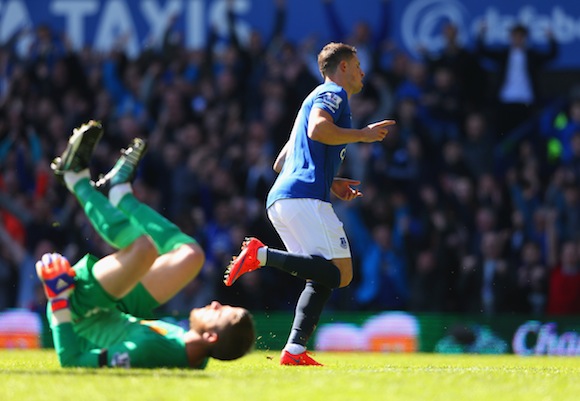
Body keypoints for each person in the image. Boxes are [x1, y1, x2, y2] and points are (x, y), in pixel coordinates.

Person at [223, 42, 395, 365]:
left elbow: (280, 163)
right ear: (342, 67)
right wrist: (362, 134)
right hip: (303, 197)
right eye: (358, 65)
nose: (362, 72)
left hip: (281, 199)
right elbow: (318, 130)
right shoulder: (333, 93)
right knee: (341, 274)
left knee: (322, 276)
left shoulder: (309, 101)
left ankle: (294, 350)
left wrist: (330, 181)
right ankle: (261, 254)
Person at [38, 120, 255, 368]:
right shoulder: (194, 356)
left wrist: (58, 299)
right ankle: (119, 194)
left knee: (144, 249)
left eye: (219, 312)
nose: (216, 304)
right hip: (120, 311)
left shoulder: (146, 350)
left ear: (211, 337)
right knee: (191, 255)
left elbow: (72, 362)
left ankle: (75, 178)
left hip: (79, 313)